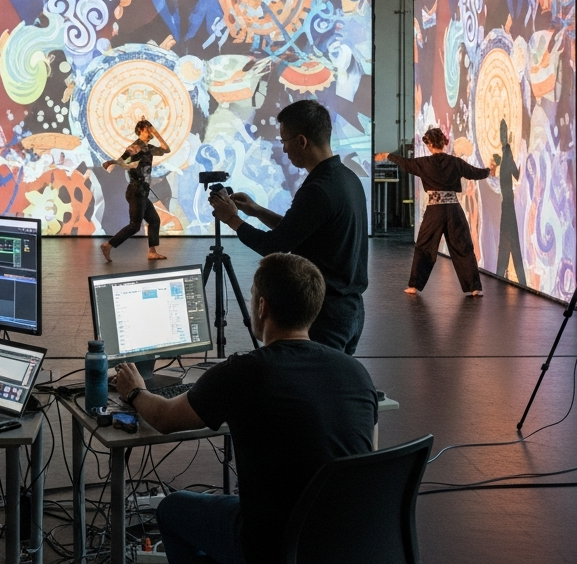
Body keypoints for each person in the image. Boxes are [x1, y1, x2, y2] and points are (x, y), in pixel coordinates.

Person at [111, 253, 378, 564]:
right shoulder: (356, 372)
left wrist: (134, 391)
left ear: (262, 306)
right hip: (351, 540)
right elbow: (366, 457)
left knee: (172, 509)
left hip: (273, 544)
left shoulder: (245, 372)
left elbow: (165, 418)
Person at [207, 99, 368, 353]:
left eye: (285, 141)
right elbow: (299, 230)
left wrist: (232, 219)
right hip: (350, 310)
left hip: (326, 316)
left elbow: (273, 246)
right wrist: (257, 210)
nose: (283, 148)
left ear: (302, 141)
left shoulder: (318, 189)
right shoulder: (345, 178)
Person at [379, 126, 494, 296]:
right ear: (443, 143)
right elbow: (474, 173)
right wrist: (489, 171)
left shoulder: (424, 163)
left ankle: (414, 286)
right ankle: (474, 288)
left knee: (425, 246)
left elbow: (406, 163)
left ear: (431, 144)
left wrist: (387, 155)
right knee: (462, 246)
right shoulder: (455, 162)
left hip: (435, 211)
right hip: (454, 210)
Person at [101, 119, 172, 263]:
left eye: (150, 129)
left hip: (143, 192)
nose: (150, 131)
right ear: (140, 131)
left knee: (154, 220)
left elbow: (166, 149)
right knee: (134, 225)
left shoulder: (149, 148)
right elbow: (122, 160)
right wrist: (112, 162)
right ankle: (108, 245)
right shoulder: (135, 147)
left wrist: (156, 132)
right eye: (147, 129)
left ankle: (152, 252)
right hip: (135, 190)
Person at [493, 120, 528, 286]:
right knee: (511, 243)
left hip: (507, 204)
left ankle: (503, 275)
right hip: (508, 205)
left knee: (507, 244)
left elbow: (514, 173)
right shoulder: (506, 152)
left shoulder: (505, 153)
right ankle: (517, 279)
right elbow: (516, 173)